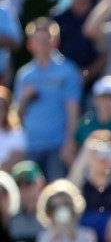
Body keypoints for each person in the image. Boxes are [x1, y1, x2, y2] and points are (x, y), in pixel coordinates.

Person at [14, 19, 83, 182]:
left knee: (56, 191)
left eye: (48, 39)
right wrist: (24, 98)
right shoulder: (25, 75)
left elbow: (73, 110)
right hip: (31, 145)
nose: (43, 44)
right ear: (31, 44)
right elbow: (17, 115)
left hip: (58, 146)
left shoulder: (68, 71)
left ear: (56, 42)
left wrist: (70, 142)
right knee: (30, 196)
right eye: (39, 40)